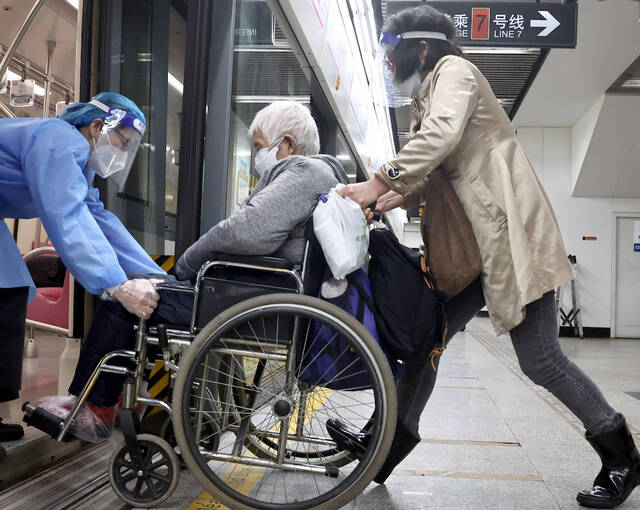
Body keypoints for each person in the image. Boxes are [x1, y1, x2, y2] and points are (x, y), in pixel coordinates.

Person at [329, 6, 640, 508]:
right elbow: (437, 172)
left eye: (393, 49)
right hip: (473, 249)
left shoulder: (456, 74)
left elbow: (444, 136)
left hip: (509, 239)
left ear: (423, 46)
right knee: (427, 337)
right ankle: (381, 445)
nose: (388, 60)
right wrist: (392, 197)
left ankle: (621, 453)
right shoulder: (424, 95)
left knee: (540, 360)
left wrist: (378, 181)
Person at [33, 100, 351, 439]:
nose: (258, 157)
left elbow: (246, 232)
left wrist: (186, 264)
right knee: (143, 295)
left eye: (259, 147)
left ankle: (94, 410)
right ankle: (118, 402)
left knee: (121, 302)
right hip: (258, 296)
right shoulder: (316, 175)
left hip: (250, 302)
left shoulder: (305, 172)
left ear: (286, 144)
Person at [0, 93, 164, 449]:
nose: (121, 153)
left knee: (8, 294)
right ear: (95, 126)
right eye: (122, 142)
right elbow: (67, 217)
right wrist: (117, 285)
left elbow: (97, 218)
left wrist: (153, 275)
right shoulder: (60, 141)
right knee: (3, 296)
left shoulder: (78, 161)